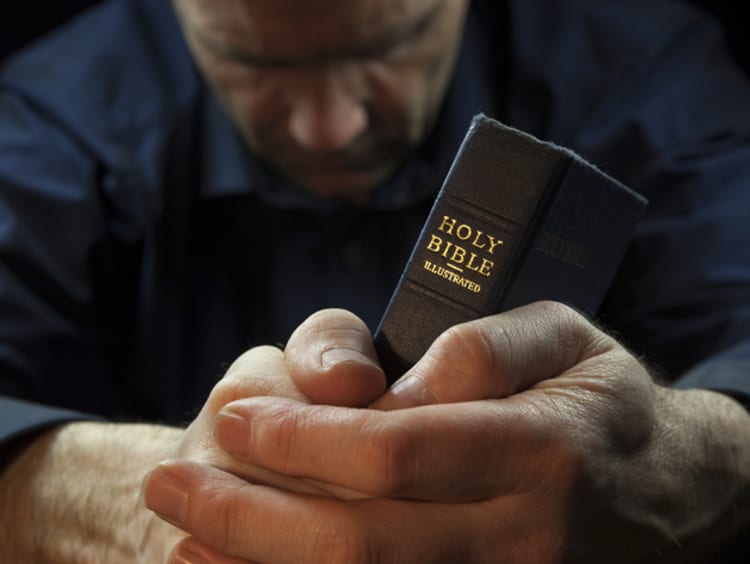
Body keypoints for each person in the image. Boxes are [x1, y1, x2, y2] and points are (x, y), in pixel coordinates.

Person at [0, 0, 749, 561]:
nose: (330, 127)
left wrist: (689, 462)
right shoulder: (54, 115)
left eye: (392, 44)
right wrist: (149, 503)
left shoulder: (641, 75)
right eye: (252, 62)